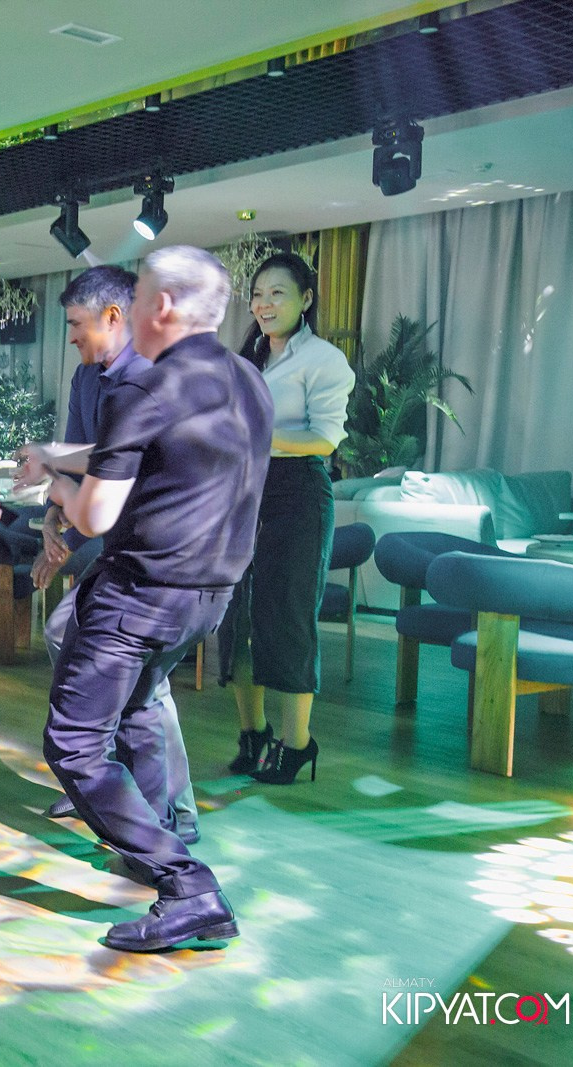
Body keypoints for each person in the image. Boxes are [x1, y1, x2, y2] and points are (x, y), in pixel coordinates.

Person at [21, 246, 271, 953]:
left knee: (73, 743)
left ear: (158, 306)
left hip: (139, 594)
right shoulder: (249, 380)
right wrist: (63, 457)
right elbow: (172, 460)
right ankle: (155, 841)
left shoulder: (145, 385)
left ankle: (188, 887)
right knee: (135, 709)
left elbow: (95, 514)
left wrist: (53, 485)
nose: (126, 314)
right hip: (210, 596)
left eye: (133, 302)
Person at [25, 267, 198, 843]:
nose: (72, 336)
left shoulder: (152, 378)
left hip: (161, 556)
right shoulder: (86, 377)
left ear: (114, 317)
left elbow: (109, 463)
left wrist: (57, 482)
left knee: (141, 682)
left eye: (77, 324)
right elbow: (82, 462)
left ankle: (152, 805)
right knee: (72, 637)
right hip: (119, 547)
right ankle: (106, 785)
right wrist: (57, 526)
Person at [220, 252, 354, 784]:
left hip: (297, 494)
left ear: (306, 300)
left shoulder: (324, 359)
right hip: (243, 494)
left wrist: (258, 435)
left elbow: (325, 438)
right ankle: (253, 735)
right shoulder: (246, 361)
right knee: (236, 616)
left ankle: (296, 744)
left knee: (288, 618)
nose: (264, 304)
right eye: (258, 294)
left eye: (278, 293)